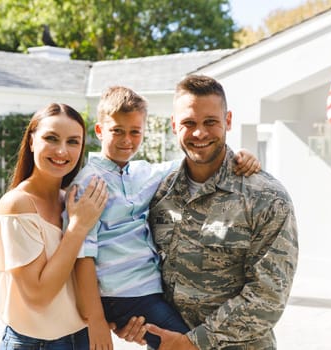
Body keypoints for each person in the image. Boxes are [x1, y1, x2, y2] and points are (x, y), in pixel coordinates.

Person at [68, 86, 261, 350]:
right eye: (117, 131)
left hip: (149, 290)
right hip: (122, 294)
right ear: (100, 131)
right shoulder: (88, 183)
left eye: (135, 131)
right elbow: (82, 256)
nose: (127, 139)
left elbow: (195, 161)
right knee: (183, 345)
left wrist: (241, 156)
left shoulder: (143, 173)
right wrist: (96, 319)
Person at [117, 75, 299, 349]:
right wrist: (128, 317)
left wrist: (192, 344)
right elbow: (135, 262)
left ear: (227, 121)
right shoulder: (158, 192)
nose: (199, 133)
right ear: (174, 125)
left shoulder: (266, 198)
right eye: (189, 123)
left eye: (210, 122)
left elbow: (268, 296)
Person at [0, 103, 108, 350]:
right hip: (34, 344)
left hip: (81, 338)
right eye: (51, 138)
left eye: (73, 142)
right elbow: (39, 296)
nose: (62, 151)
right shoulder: (17, 205)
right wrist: (77, 228)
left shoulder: (72, 201)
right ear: (31, 141)